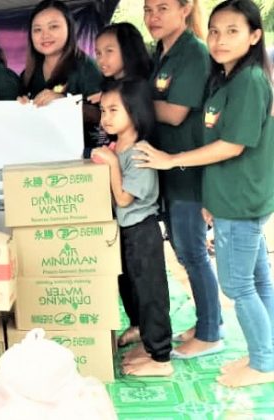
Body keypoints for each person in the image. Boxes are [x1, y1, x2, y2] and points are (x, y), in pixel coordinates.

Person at [136, 0, 274, 387]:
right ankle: (265, 352)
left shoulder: (249, 81)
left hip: (240, 199)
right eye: (215, 31)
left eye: (232, 31)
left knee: (239, 285)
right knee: (258, 279)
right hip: (231, 195)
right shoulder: (228, 77)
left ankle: (263, 364)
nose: (220, 40)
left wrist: (171, 159)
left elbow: (232, 145)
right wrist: (211, 200)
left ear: (255, 36)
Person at [143, 0, 223, 359]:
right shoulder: (162, 53)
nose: (153, 17)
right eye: (148, 9)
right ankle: (211, 320)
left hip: (189, 169)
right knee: (183, 249)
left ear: (185, 9)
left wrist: (130, 104)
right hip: (169, 169)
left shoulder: (193, 53)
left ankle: (209, 334)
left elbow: (175, 113)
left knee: (192, 251)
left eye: (163, 8)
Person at [91, 79, 173, 377]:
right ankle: (140, 330)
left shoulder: (139, 152)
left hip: (142, 231)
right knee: (129, 285)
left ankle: (161, 357)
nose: (106, 117)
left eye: (114, 110)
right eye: (103, 110)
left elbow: (124, 198)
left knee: (150, 291)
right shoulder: (118, 147)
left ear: (135, 111)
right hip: (124, 230)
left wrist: (112, 165)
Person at [19, 0, 103, 157]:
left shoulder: (86, 67)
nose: (45, 35)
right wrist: (21, 105)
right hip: (41, 154)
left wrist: (65, 104)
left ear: (69, 28)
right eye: (37, 29)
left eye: (53, 26)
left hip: (82, 158)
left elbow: (103, 115)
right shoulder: (29, 73)